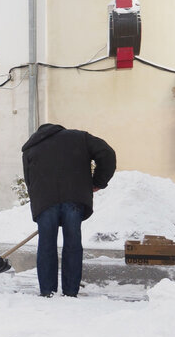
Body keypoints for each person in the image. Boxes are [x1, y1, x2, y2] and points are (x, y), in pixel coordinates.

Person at [21, 123, 117, 297]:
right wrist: (98, 181)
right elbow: (107, 154)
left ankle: (47, 291)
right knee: (73, 243)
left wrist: (39, 202)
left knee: (46, 245)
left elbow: (29, 180)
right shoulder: (80, 138)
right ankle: (71, 291)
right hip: (75, 198)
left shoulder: (31, 146)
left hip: (45, 201)